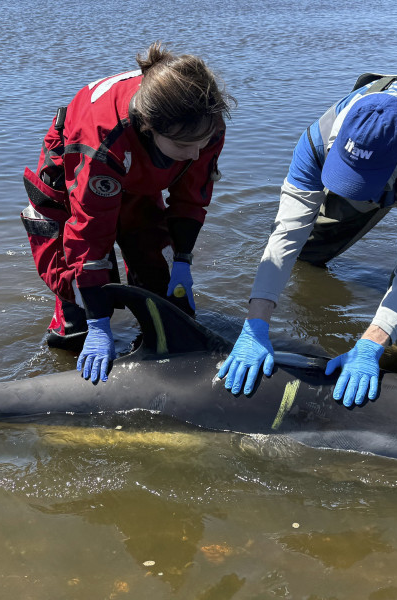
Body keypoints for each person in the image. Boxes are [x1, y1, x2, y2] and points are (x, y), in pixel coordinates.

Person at [217, 73, 397, 407]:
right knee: (308, 248)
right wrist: (255, 322)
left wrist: (372, 343)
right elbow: (286, 234)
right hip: (370, 152)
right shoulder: (320, 137)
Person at [21, 42, 233, 383]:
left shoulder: (201, 124)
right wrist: (98, 323)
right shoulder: (102, 142)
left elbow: (191, 197)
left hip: (138, 165)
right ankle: (77, 322)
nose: (195, 155)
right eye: (184, 147)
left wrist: (182, 258)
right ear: (150, 127)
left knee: (165, 291)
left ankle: (147, 339)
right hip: (79, 164)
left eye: (203, 143)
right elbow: (89, 232)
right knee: (76, 316)